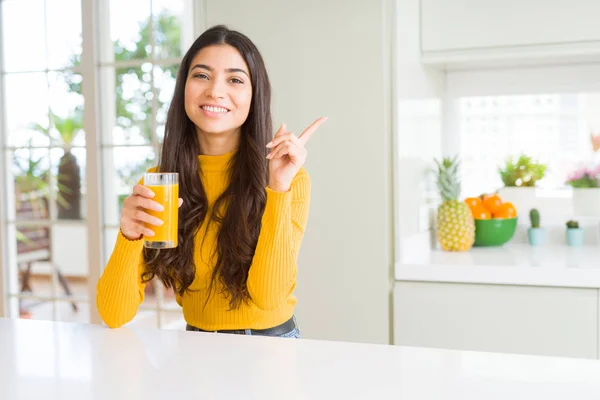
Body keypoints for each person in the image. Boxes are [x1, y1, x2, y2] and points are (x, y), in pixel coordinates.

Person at [96, 25, 326, 338]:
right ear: (184, 88)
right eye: (202, 75)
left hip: (269, 346)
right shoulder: (159, 182)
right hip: (195, 344)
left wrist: (278, 190)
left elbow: (269, 297)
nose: (215, 91)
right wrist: (128, 236)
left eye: (235, 79)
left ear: (254, 94)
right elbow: (113, 314)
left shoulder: (288, 179)